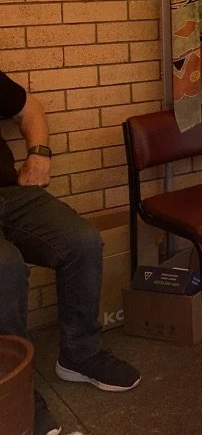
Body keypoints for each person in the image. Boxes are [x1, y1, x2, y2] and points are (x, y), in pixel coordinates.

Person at [0, 71, 141, 435]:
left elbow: (29, 107)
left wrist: (39, 154)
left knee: (80, 241)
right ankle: (13, 390)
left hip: (8, 195)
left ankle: (79, 354)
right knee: (5, 267)